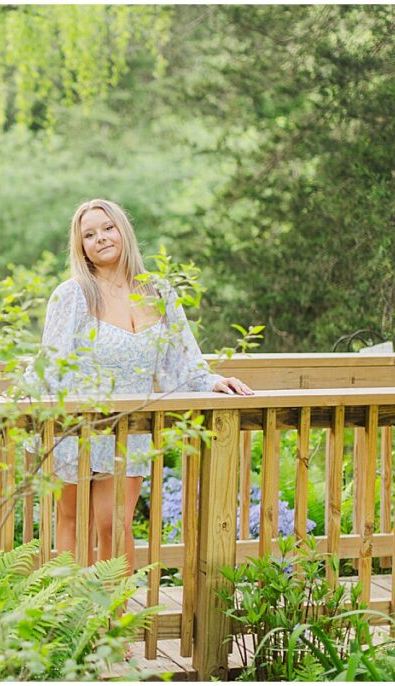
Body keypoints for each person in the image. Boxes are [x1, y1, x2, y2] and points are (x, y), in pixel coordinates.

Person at [24, 198, 253, 572]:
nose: (100, 238)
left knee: (115, 524)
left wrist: (212, 381)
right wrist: (25, 404)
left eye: (108, 228)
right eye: (89, 234)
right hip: (76, 426)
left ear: (123, 231)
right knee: (71, 519)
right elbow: (51, 360)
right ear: (80, 246)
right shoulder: (74, 294)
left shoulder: (158, 292)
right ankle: (66, 615)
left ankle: (114, 619)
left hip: (129, 429)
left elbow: (182, 361)